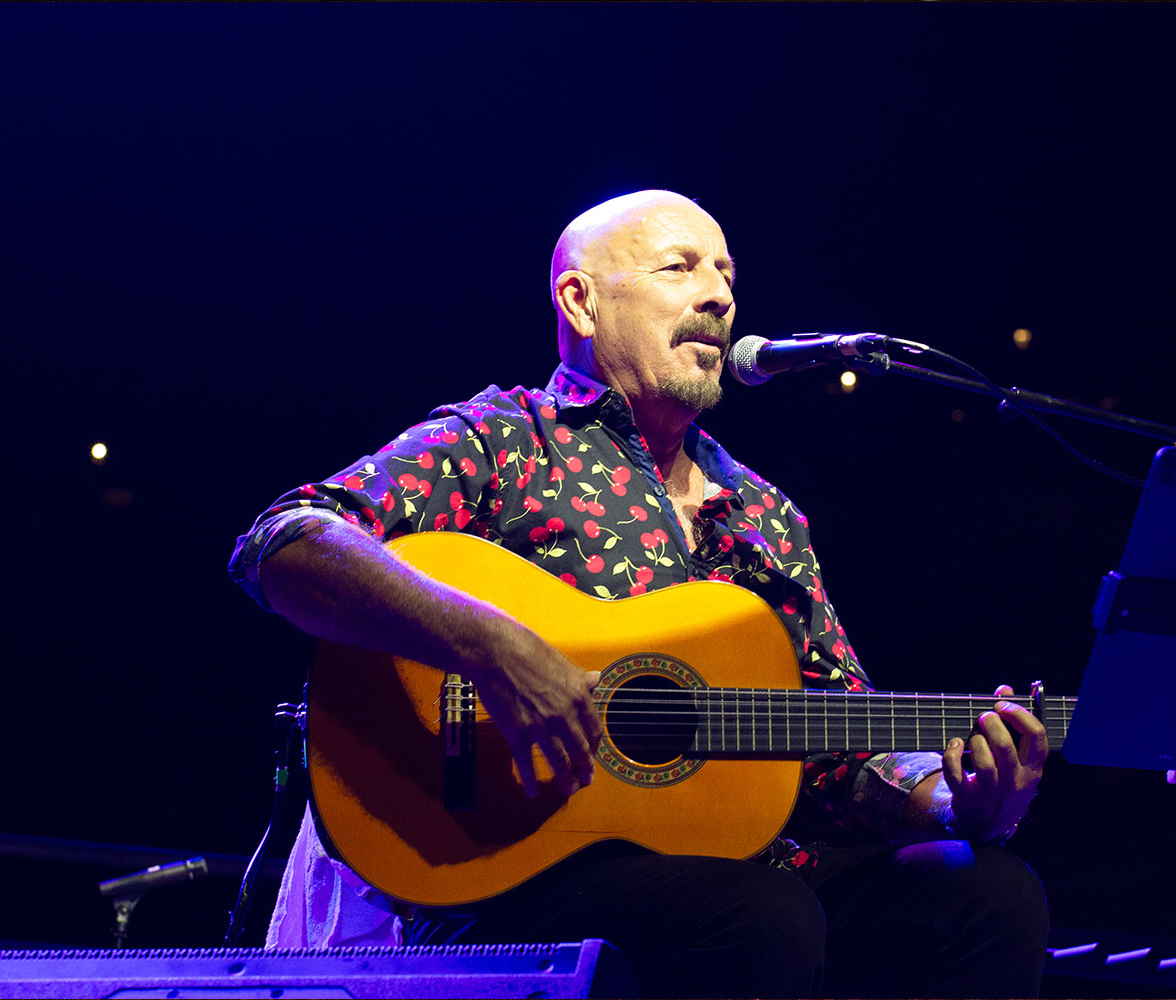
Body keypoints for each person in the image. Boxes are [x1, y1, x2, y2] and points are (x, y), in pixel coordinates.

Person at [229, 190, 1050, 998]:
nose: (720, 295)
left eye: (727, 273)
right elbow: (285, 540)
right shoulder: (504, 441)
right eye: (679, 267)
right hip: (512, 871)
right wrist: (491, 646)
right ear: (580, 302)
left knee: (987, 894)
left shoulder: (764, 512)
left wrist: (950, 800)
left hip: (749, 873)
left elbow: (837, 750)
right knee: (762, 917)